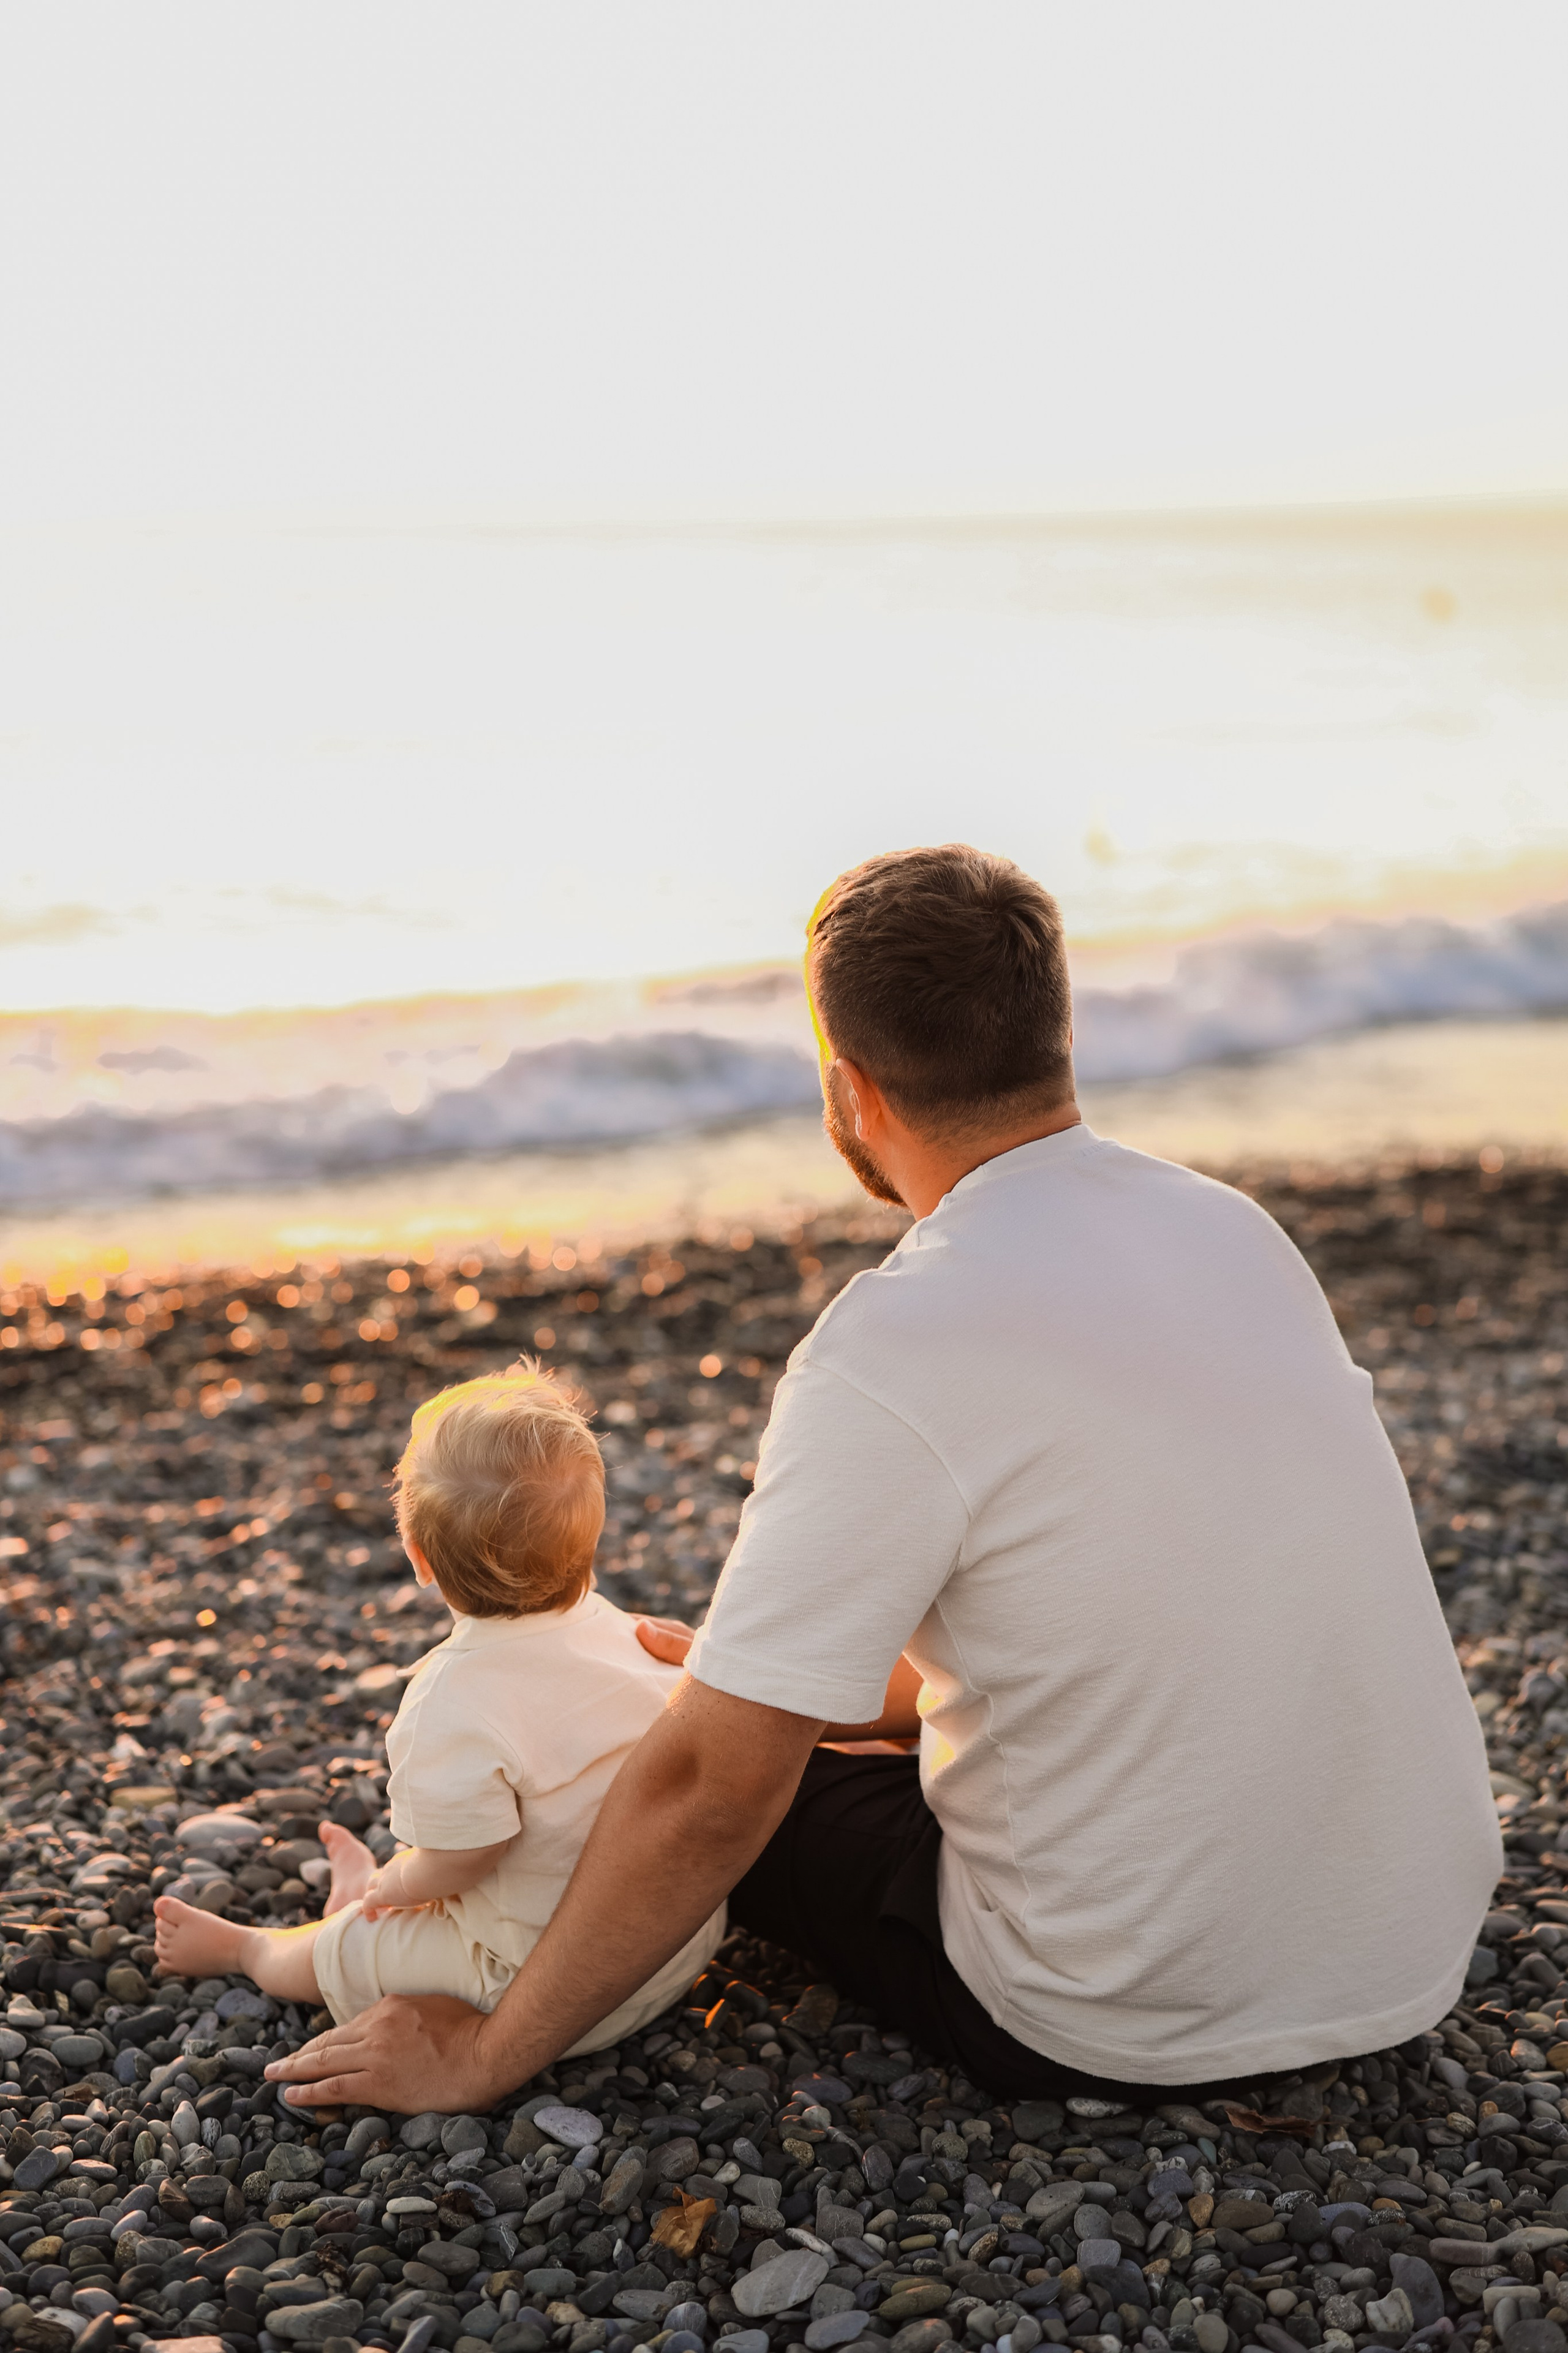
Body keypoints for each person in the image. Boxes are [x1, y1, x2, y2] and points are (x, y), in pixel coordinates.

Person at [269, 842, 1500, 2115]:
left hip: (1118, 2013)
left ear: (849, 1091)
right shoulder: (1231, 1230)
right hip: (1407, 1945)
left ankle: (413, 1939)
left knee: (669, 1760)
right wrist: (825, 1694)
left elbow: (710, 1793)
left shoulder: (892, 1343)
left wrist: (481, 2058)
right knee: (755, 1715)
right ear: (1056, 1035)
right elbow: (1156, 1573)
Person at [154, 1367, 726, 2042]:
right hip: (674, 1941)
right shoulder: (631, 1635)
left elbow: (467, 1857)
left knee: (356, 1943)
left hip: (543, 1989)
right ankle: (353, 1911)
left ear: (420, 1558)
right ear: (590, 1539)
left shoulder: (450, 1699)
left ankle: (253, 1949)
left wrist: (396, 1887)